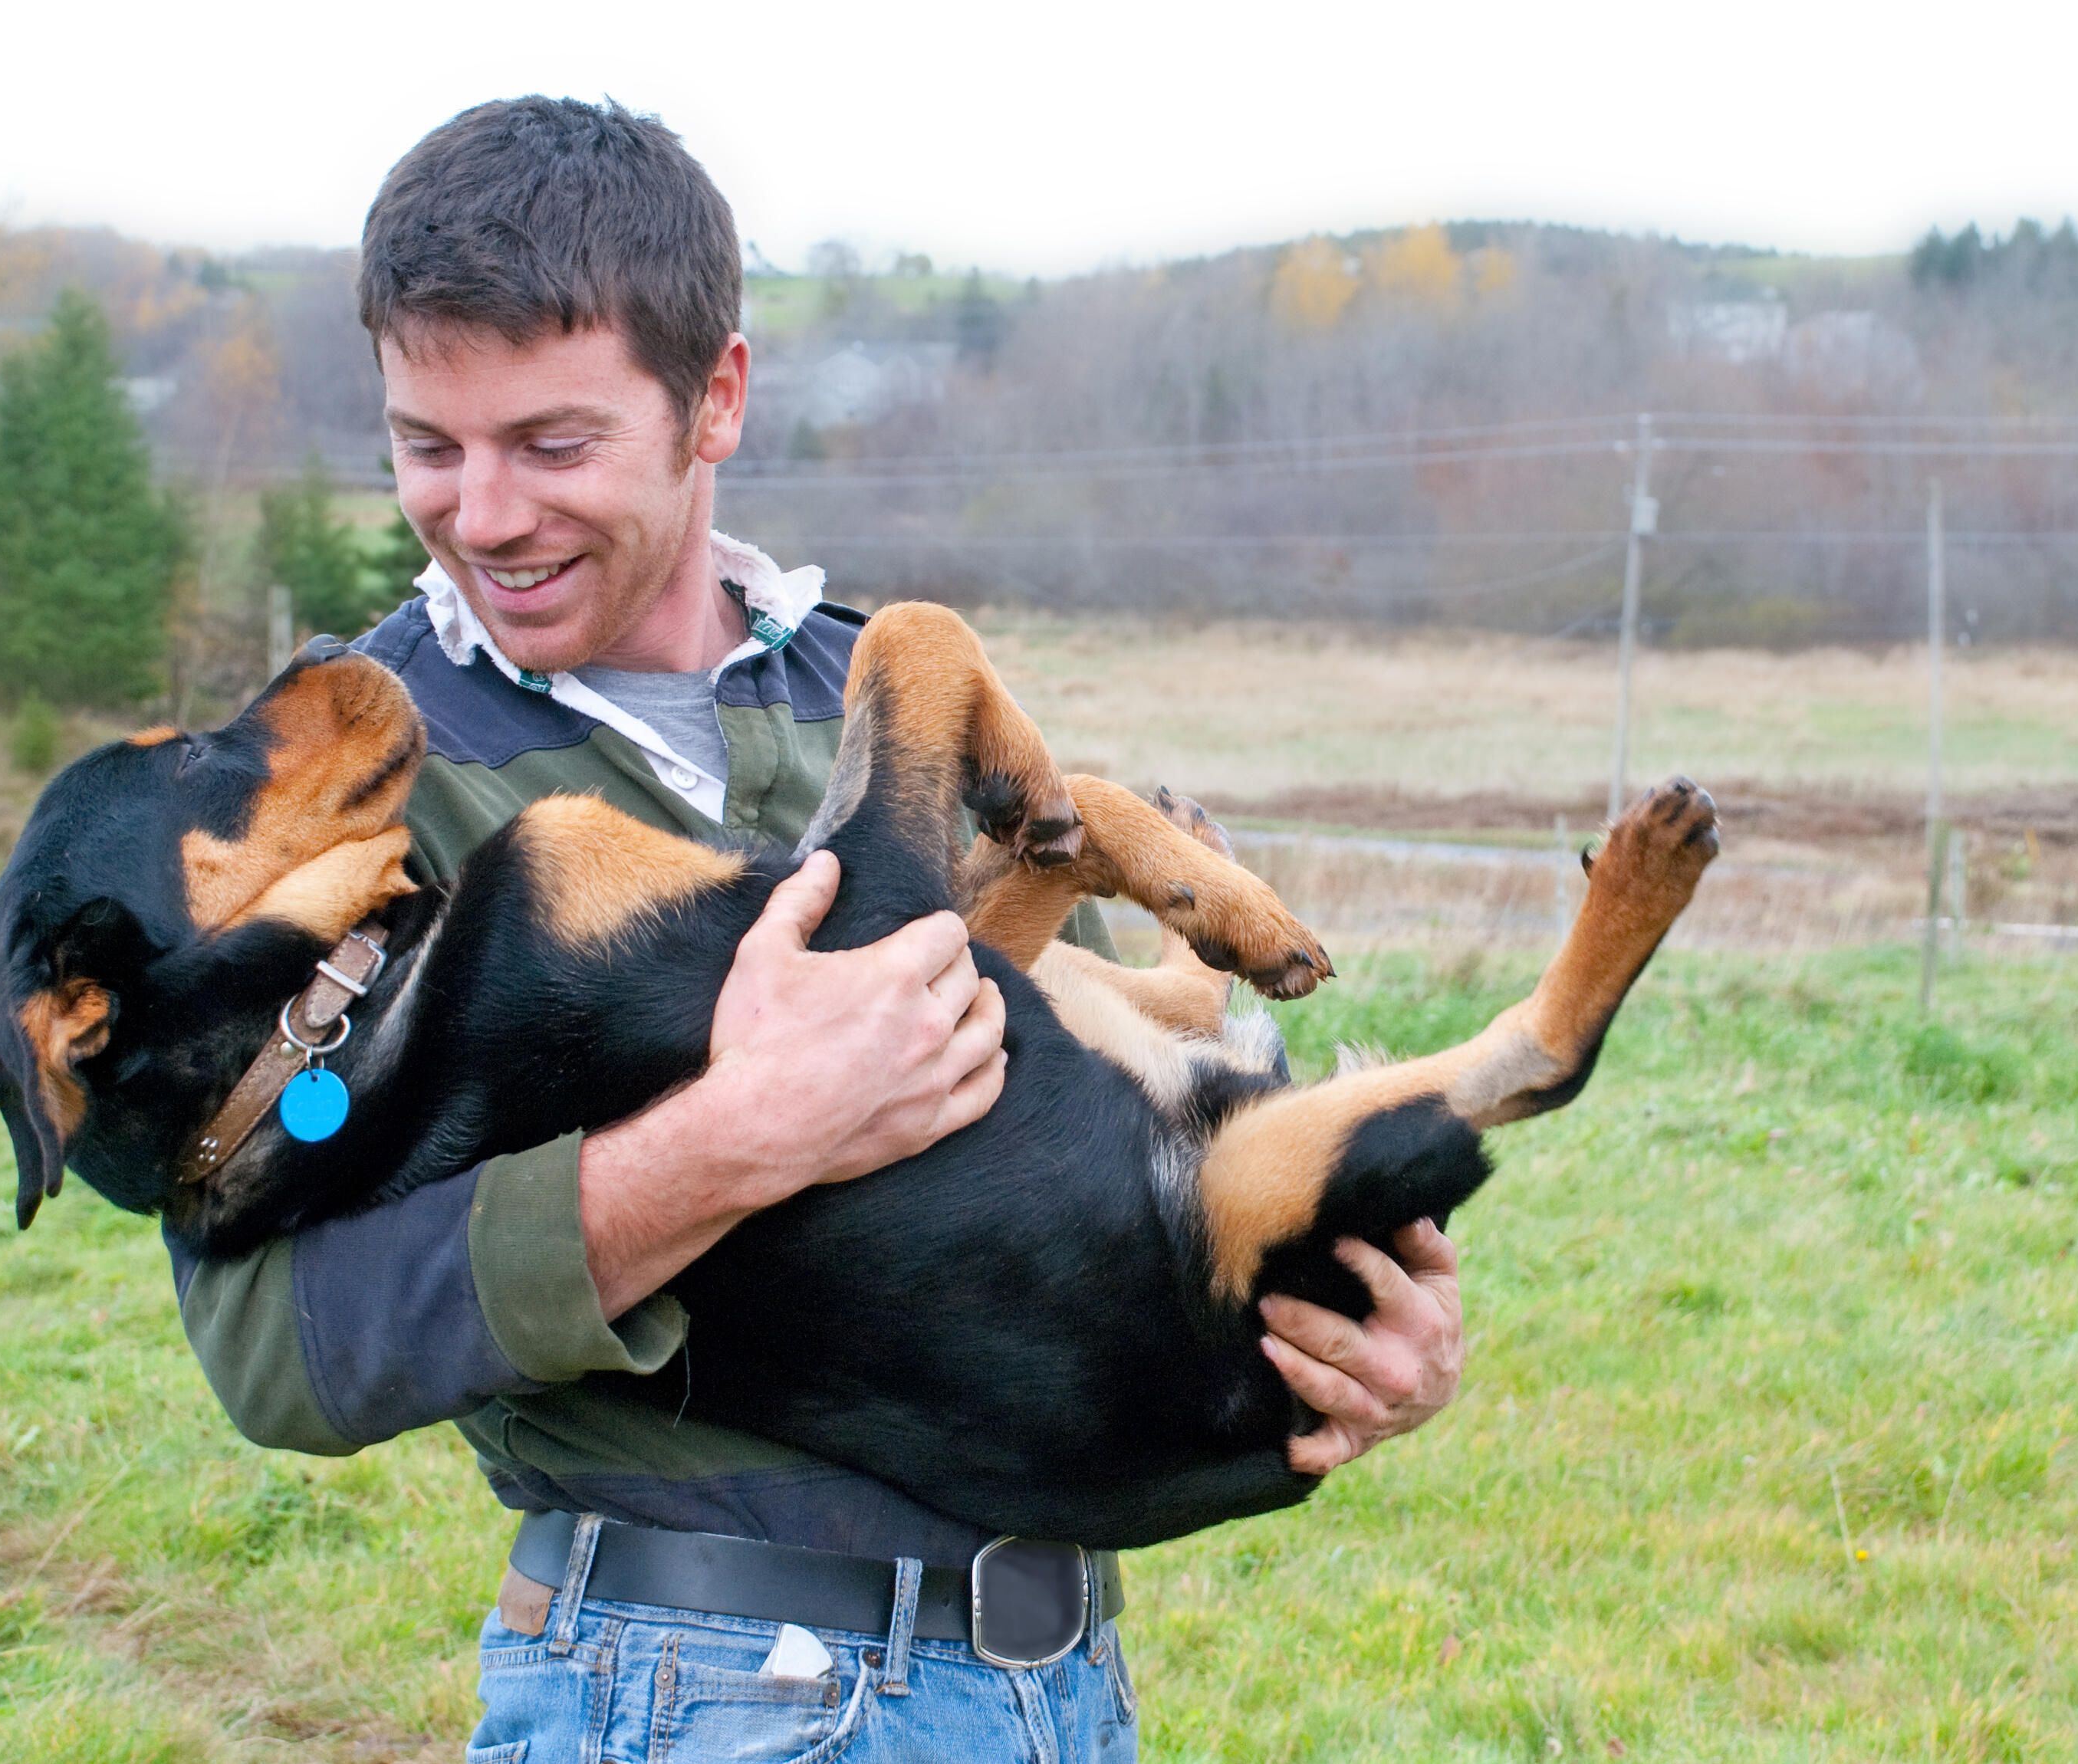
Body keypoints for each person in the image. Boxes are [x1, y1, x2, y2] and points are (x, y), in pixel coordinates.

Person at [171, 96, 1465, 1762]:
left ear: (716, 395)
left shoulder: (869, 687)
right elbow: (277, 1343)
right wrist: (734, 1138)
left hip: (1050, 1685)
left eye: (552, 445)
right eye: (429, 444)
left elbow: (1035, 1134)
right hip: (693, 1688)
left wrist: (1367, 1325)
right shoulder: (349, 799)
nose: (481, 512)